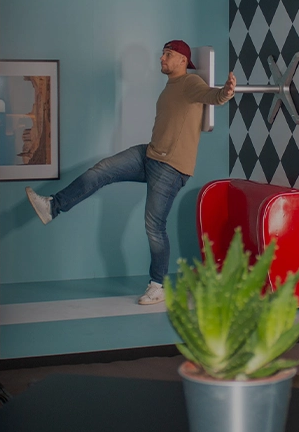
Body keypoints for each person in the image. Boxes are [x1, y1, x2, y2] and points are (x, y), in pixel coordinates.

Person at [25, 40, 236, 305]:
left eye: (168, 55)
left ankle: (157, 285)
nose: (161, 58)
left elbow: (212, 96)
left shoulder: (190, 83)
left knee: (154, 227)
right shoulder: (169, 88)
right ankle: (52, 206)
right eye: (162, 54)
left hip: (171, 166)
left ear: (182, 60)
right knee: (101, 170)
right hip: (150, 154)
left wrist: (226, 92)